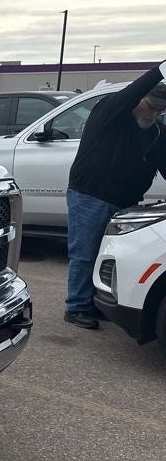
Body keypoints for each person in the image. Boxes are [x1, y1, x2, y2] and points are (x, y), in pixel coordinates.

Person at [64, 61, 166, 329]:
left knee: (107, 256)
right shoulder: (110, 112)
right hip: (90, 195)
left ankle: (93, 302)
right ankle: (76, 307)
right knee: (84, 252)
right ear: (138, 100)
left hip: (125, 202)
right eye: (152, 106)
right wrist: (159, 71)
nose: (154, 113)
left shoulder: (156, 131)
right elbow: (131, 92)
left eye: (161, 110)